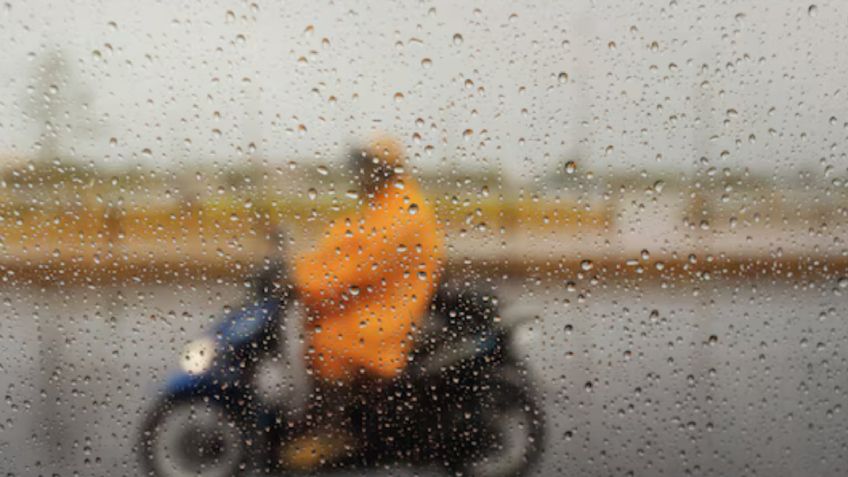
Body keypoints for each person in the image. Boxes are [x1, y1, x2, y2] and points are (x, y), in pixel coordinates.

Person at [283, 134, 444, 468]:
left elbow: (354, 270)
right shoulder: (382, 205)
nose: (357, 174)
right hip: (373, 302)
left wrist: (300, 281)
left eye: (363, 166)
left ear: (382, 169)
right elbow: (338, 249)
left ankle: (334, 433)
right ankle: (325, 420)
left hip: (390, 311)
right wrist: (294, 268)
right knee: (320, 330)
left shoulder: (400, 212)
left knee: (331, 342)